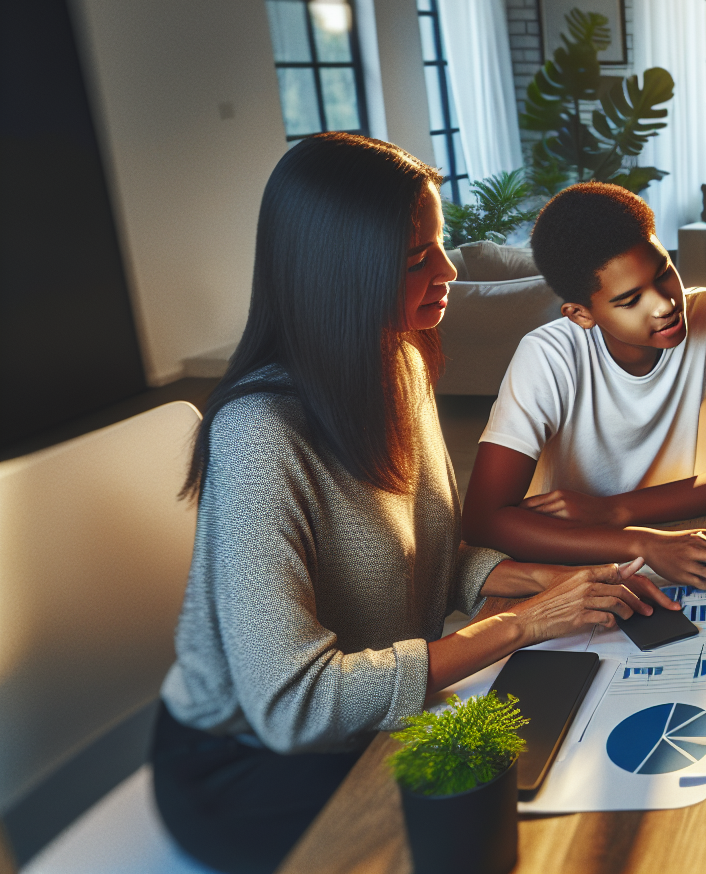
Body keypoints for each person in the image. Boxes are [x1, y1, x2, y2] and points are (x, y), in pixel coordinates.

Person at [155, 134, 677, 874]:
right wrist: (524, 624)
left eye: (439, 244)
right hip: (253, 769)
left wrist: (530, 581)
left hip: (375, 718)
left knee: (584, 768)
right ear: (336, 274)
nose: (449, 271)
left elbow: (423, 559)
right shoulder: (257, 436)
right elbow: (293, 705)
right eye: (416, 259)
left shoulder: (399, 359)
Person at [462, 183, 706, 589]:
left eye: (664, 273)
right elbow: (483, 521)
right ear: (581, 314)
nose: (664, 304)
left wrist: (615, 511)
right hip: (577, 553)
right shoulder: (547, 356)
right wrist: (640, 544)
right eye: (630, 300)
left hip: (688, 531)